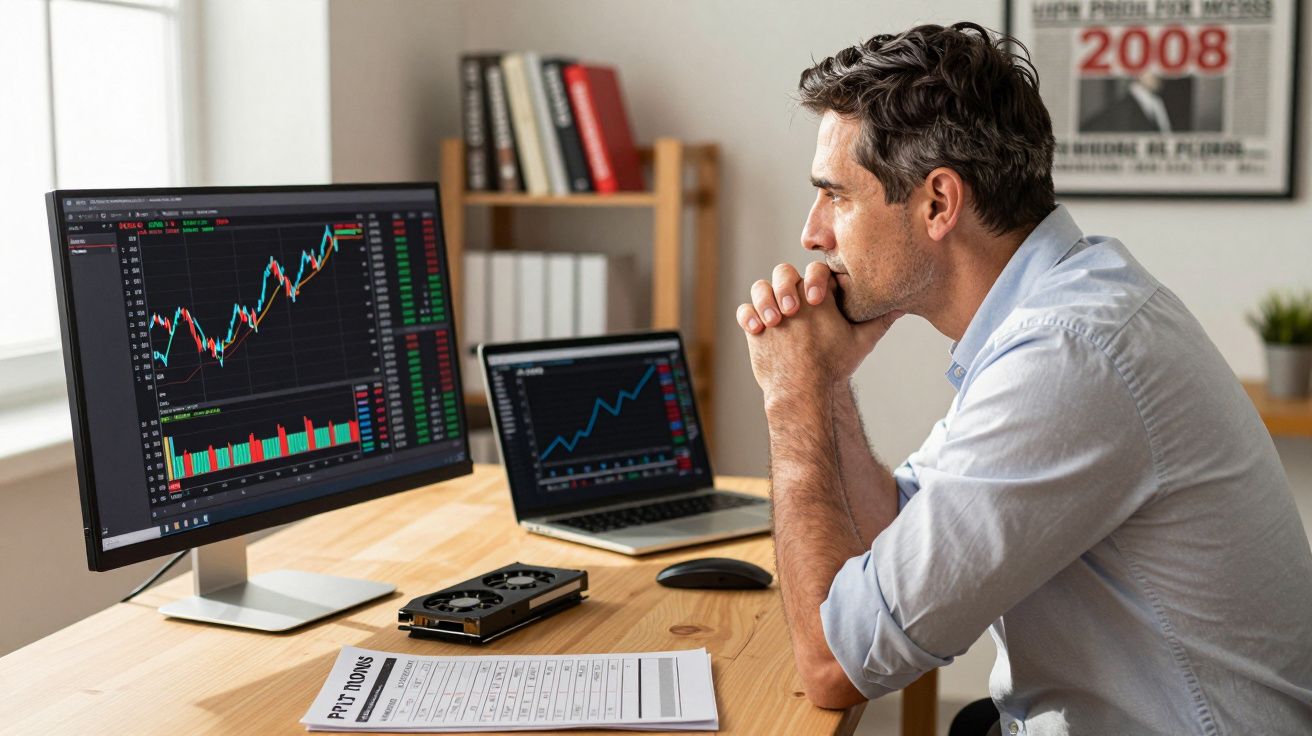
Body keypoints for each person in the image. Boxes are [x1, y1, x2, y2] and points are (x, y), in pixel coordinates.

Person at [736, 22, 1312, 735]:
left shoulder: (1069, 355)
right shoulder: (1055, 313)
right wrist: (824, 387)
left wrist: (790, 399)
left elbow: (837, 666)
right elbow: (899, 524)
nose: (812, 233)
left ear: (939, 203)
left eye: (837, 197)